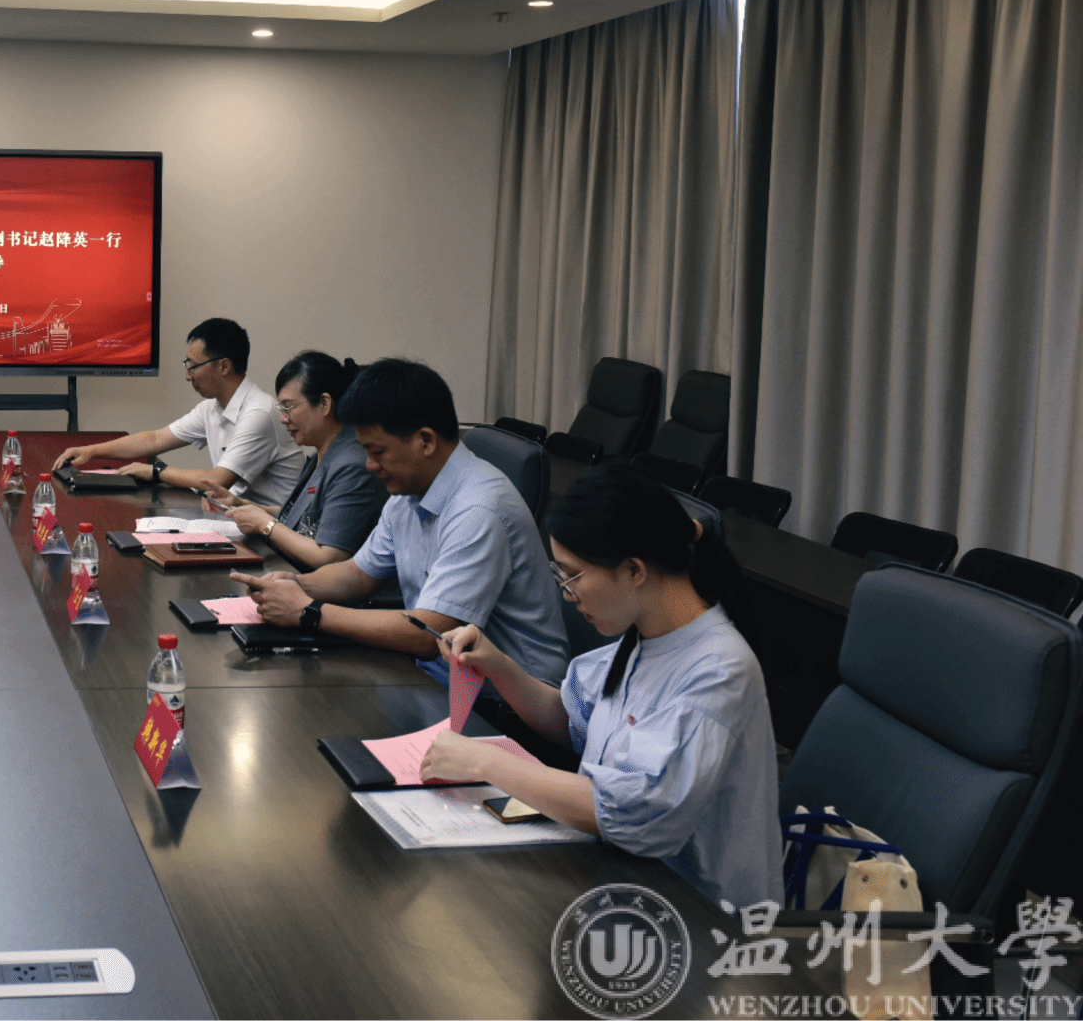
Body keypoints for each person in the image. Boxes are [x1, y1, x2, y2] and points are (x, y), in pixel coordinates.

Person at [420, 464, 780, 908]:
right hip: (619, 880)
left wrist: (486, 762)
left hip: (696, 913)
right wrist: (498, 665)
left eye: (572, 576)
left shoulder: (720, 670)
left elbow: (636, 814)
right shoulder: (644, 636)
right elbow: (573, 722)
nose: (567, 594)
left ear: (633, 570)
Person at [232, 357, 567, 687]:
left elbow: (430, 633)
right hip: (435, 675)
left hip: (505, 703)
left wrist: (308, 611)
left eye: (378, 452)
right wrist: (294, 585)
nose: (369, 465)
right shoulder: (408, 493)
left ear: (426, 441)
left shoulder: (478, 511)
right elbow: (357, 575)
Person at [53, 317, 303, 502]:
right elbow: (154, 439)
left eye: (192, 366)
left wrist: (156, 472)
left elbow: (216, 481)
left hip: (273, 536)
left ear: (224, 366)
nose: (187, 376)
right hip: (238, 518)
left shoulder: (258, 413)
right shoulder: (212, 408)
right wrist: (91, 451)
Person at [204, 351, 387, 569]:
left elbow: (328, 557)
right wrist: (241, 504)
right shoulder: (323, 454)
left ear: (325, 404)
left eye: (289, 408)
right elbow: (299, 518)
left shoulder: (352, 465)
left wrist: (265, 524)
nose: (283, 418)